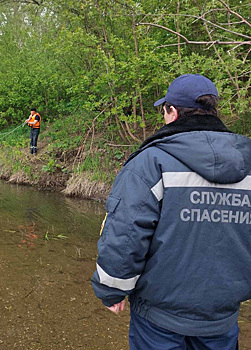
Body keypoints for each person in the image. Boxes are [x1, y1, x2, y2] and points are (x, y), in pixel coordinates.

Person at [91, 74, 251, 349]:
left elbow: (127, 232)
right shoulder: (247, 164)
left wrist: (113, 289)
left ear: (172, 112)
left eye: (163, 110)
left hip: (158, 321)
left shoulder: (151, 162)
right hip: (221, 317)